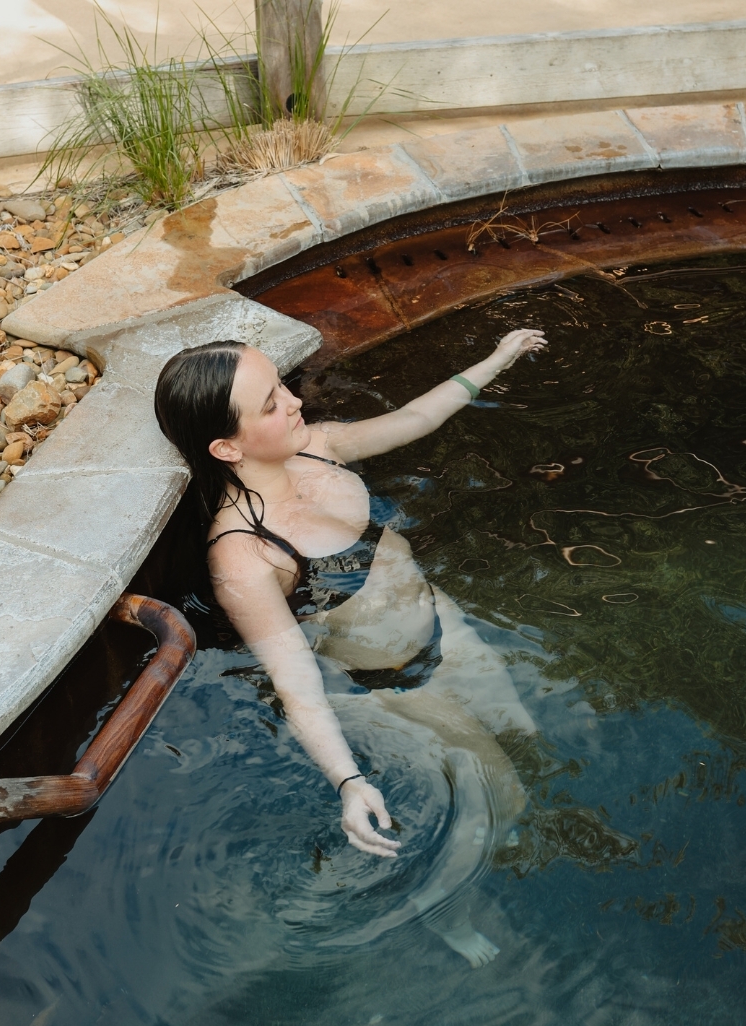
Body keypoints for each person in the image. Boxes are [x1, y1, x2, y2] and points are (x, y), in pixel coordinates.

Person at [154, 328, 547, 964]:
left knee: (524, 730)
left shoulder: (321, 447)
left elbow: (416, 418)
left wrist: (498, 358)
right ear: (226, 447)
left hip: (446, 627)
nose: (294, 402)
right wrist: (349, 781)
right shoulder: (246, 556)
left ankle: (503, 848)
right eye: (271, 404)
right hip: (395, 683)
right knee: (500, 793)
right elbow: (296, 684)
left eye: (282, 386)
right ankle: (445, 911)